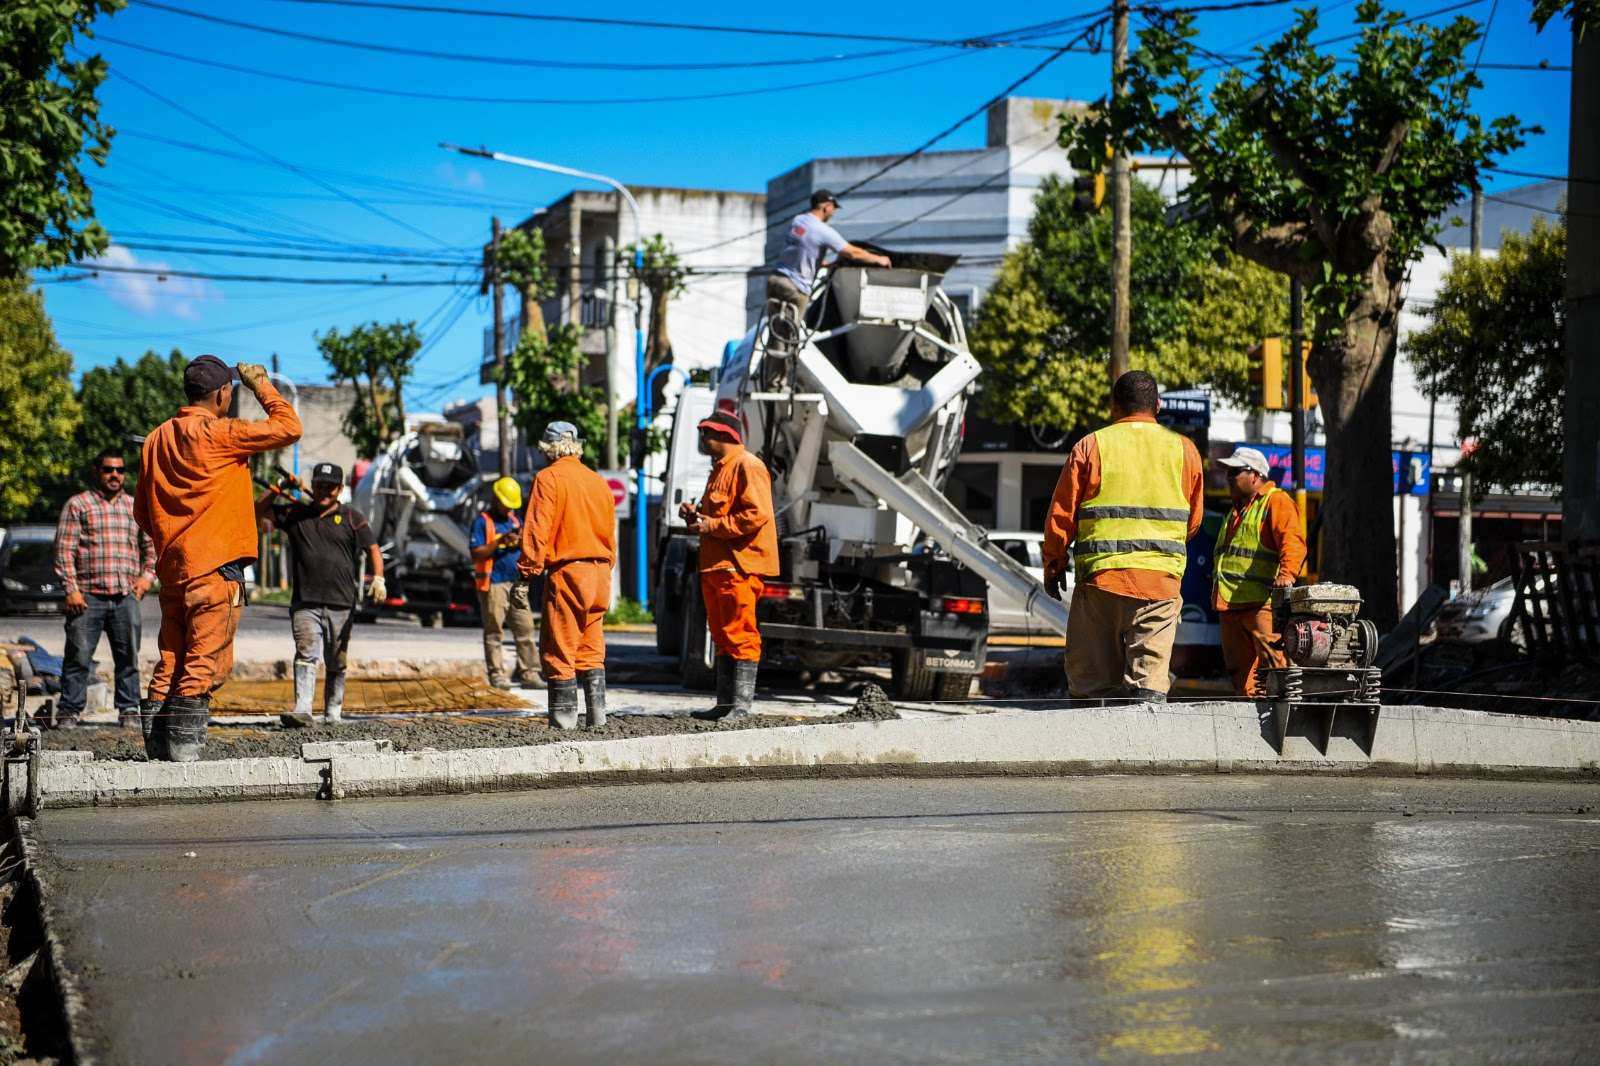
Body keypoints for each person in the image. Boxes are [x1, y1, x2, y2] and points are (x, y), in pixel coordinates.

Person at [134, 355, 302, 761]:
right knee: (204, 664)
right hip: (216, 570)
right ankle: (184, 757)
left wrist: (176, 538)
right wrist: (261, 385)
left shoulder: (156, 438)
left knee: (171, 661)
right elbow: (289, 427)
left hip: (174, 571)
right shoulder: (220, 432)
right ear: (223, 393)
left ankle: (157, 752)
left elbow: (141, 513)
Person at [1041, 370, 1203, 704]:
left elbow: (1061, 517)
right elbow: (1193, 522)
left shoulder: (1091, 446)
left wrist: (1054, 565)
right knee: (1149, 687)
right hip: (1159, 588)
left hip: (1100, 584)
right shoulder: (1185, 450)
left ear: (1114, 405)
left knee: (1090, 687)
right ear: (1158, 406)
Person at [255, 462, 385, 727]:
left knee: (336, 659)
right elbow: (257, 511)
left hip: (341, 603)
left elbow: (372, 548)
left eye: (330, 487)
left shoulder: (352, 517)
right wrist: (279, 487)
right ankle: (303, 709)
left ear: (340, 489)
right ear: (312, 486)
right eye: (320, 485)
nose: (324, 491)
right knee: (306, 652)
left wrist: (379, 577)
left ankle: (333, 712)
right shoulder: (296, 514)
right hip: (306, 602)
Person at [679, 411, 779, 721]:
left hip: (738, 566)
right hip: (717, 565)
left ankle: (741, 708)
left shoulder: (748, 465)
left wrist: (710, 525)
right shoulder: (720, 469)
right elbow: (719, 516)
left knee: (740, 633)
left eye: (706, 432)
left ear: (725, 435)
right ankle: (725, 705)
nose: (702, 438)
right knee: (722, 636)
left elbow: (756, 514)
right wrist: (696, 516)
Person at [519, 422, 617, 730]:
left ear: (548, 449)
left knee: (559, 647)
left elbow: (537, 530)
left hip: (570, 572)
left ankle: (563, 723)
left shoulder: (548, 478)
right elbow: (610, 534)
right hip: (600, 574)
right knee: (590, 648)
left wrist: (527, 573)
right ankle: (597, 719)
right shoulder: (598, 482)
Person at [52, 446, 156, 729]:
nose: (114, 475)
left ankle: (129, 709)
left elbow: (152, 548)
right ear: (97, 472)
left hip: (125, 597)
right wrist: (71, 589)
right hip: (87, 598)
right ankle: (69, 711)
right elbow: (64, 551)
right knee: (78, 657)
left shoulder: (135, 506)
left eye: (120, 470)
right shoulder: (78, 505)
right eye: (108, 469)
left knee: (128, 658)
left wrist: (146, 578)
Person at [1212, 447, 1307, 697]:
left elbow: (1292, 541)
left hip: (1261, 605)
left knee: (1274, 669)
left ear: (1255, 475)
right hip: (1230, 605)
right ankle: (1250, 714)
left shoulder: (1275, 501)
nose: (1228, 478)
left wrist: (1287, 574)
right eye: (1227, 473)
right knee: (1240, 675)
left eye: (1234, 472)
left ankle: (1280, 714)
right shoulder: (1236, 510)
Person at [768, 189, 892, 322]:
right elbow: (852, 253)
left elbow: (800, 246)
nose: (833, 213)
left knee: (776, 329)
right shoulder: (822, 231)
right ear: (826, 207)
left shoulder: (798, 220)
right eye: (833, 208)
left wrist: (821, 263)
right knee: (789, 331)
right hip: (795, 287)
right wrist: (878, 259)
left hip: (776, 280)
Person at [470, 475, 538, 691]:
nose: (508, 508)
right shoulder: (483, 522)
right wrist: (499, 541)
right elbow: (476, 553)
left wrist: (518, 541)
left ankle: (529, 673)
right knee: (494, 631)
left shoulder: (516, 521)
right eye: (505, 504)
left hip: (516, 583)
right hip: (494, 584)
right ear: (496, 499)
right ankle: (497, 674)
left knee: (525, 629)